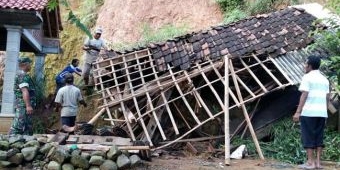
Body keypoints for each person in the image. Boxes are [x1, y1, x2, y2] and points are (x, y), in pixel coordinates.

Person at [293, 55, 330, 169]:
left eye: (306, 64)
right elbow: (327, 97)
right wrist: (325, 111)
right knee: (319, 137)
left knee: (308, 136)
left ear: (310, 65)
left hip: (309, 112)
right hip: (322, 112)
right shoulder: (324, 79)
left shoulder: (307, 77)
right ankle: (318, 163)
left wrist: (298, 112)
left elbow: (304, 94)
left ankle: (310, 163)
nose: (304, 66)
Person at [9, 57, 36, 135]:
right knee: (18, 126)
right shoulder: (22, 76)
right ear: (25, 65)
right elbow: (24, 91)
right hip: (23, 106)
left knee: (27, 126)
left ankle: (25, 144)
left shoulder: (23, 75)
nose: (31, 66)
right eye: (29, 64)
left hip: (24, 106)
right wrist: (28, 106)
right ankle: (8, 142)